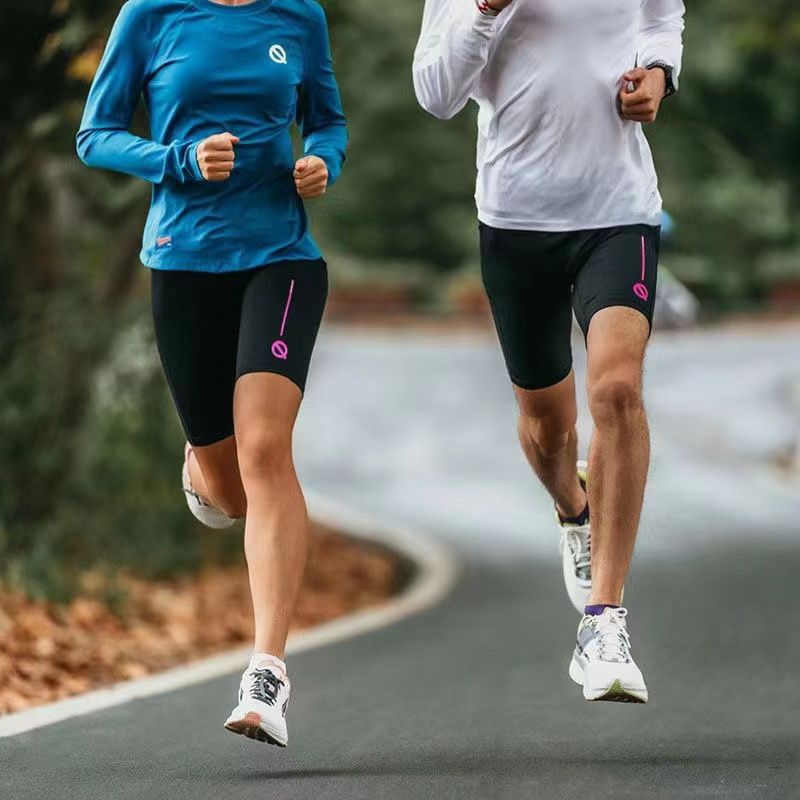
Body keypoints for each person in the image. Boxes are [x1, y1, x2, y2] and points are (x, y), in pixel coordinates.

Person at [77, 0, 347, 745]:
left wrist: (326, 160)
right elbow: (93, 136)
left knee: (266, 451)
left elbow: (328, 118)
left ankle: (267, 671)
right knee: (229, 490)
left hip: (282, 259)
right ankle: (201, 463)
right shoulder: (151, 15)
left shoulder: (299, 16)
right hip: (183, 261)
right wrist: (176, 161)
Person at [413, 0, 684, 703]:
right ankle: (573, 508)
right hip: (516, 220)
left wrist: (659, 70)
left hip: (619, 210)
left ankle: (605, 618)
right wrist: (484, 11)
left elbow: (661, 15)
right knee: (546, 423)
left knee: (617, 390)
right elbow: (436, 93)